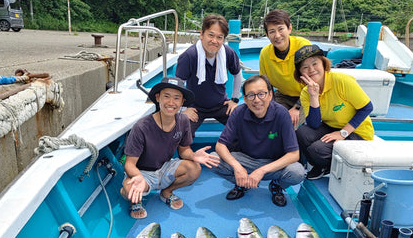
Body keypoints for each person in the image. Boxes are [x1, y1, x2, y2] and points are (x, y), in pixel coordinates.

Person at [120, 76, 220, 219]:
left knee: (194, 168)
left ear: (182, 102)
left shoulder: (183, 121)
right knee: (129, 189)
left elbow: (184, 150)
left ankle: (166, 192)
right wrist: (138, 177)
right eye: (166, 96)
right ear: (158, 97)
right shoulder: (141, 127)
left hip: (165, 166)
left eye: (177, 98)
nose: (171, 103)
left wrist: (193, 156)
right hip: (142, 172)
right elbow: (129, 164)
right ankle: (135, 200)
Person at [210, 75, 306, 207]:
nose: (257, 100)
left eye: (261, 94)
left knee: (297, 172)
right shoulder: (238, 112)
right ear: (245, 99)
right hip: (246, 160)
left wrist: (261, 171)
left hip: (273, 163)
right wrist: (237, 168)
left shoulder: (281, 114)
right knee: (212, 160)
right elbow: (221, 145)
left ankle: (276, 185)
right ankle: (242, 183)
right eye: (251, 95)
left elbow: (294, 154)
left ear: (270, 95)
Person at [294, 44, 374, 180]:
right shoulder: (306, 93)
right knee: (302, 133)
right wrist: (314, 96)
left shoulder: (342, 81)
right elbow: (313, 124)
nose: (311, 70)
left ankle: (329, 165)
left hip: (357, 132)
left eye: (315, 63)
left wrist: (343, 133)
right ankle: (321, 165)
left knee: (317, 150)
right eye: (305, 67)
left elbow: (367, 107)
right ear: (300, 73)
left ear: (323, 63)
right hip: (332, 126)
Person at [175, 14, 243, 136]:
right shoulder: (189, 56)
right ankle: (187, 155)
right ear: (202, 34)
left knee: (242, 125)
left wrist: (234, 100)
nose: (214, 41)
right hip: (195, 107)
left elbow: (238, 74)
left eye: (219, 37)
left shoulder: (228, 53)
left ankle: (232, 153)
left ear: (223, 39)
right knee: (182, 132)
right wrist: (183, 109)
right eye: (210, 35)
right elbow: (176, 85)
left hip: (220, 105)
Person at [259, 9, 312, 128]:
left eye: (281, 29)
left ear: (289, 28)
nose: (277, 35)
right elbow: (266, 84)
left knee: (287, 123)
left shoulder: (304, 47)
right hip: (283, 95)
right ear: (267, 35)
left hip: (307, 95)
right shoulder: (265, 54)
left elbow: (314, 81)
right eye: (272, 31)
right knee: (264, 119)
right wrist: (270, 108)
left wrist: (297, 108)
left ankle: (288, 146)